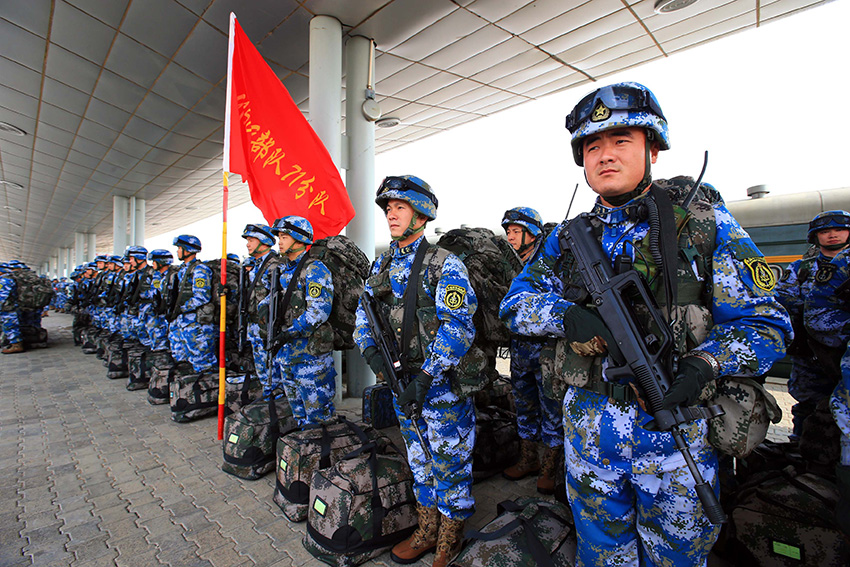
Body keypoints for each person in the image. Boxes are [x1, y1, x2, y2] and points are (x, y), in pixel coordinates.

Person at [499, 82, 791, 566]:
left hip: (675, 440)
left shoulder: (703, 225)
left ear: (652, 148)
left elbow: (768, 324)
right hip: (591, 437)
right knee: (600, 554)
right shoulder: (567, 240)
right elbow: (516, 303)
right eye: (593, 146)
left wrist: (704, 364)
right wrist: (564, 315)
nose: (605, 156)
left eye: (621, 142)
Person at [354, 176, 477, 567]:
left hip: (439, 388)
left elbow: (459, 327)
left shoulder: (444, 264)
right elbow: (364, 315)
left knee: (449, 462)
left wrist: (426, 377)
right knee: (420, 460)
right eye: (388, 208)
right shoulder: (383, 264)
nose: (391, 213)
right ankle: (426, 530)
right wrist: (372, 354)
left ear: (421, 214)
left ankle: (450, 539)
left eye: (400, 207)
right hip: (399, 383)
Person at [499, 207, 564, 494]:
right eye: (508, 232)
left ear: (533, 232)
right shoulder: (516, 263)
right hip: (520, 348)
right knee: (524, 404)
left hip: (547, 350)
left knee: (551, 407)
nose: (511, 237)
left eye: (516, 231)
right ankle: (529, 459)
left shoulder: (551, 262)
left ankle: (550, 468)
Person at [776, 210, 850, 439]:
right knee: (807, 406)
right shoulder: (801, 269)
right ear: (815, 237)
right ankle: (802, 453)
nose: (833, 235)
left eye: (839, 230)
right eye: (825, 232)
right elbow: (782, 303)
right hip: (810, 356)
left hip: (843, 352)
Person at [265, 215, 336, 424]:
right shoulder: (283, 271)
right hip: (287, 355)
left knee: (318, 416)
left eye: (284, 236)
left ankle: (322, 454)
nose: (279, 240)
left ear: (298, 239)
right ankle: (304, 453)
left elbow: (319, 310)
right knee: (298, 414)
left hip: (310, 356)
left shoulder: (314, 269)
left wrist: (290, 332)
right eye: (279, 236)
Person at [168, 235, 217, 374]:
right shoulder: (182, 270)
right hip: (183, 321)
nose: (177, 251)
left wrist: (181, 308)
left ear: (188, 250)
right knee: (183, 361)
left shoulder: (200, 270)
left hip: (196, 323)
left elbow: (202, 296)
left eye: (179, 248)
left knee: (202, 361)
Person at [241, 223, 280, 395]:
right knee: (264, 372)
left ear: (263, 240)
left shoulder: (274, 265)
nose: (248, 244)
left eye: (251, 240)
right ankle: (268, 402)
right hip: (256, 327)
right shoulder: (257, 265)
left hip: (268, 329)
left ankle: (276, 406)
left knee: (273, 373)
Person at [0, 262, 23, 353]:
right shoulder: (10, 278)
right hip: (12, 307)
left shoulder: (4, 280)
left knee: (10, 326)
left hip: (8, 309)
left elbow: (2, 296)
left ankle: (16, 345)